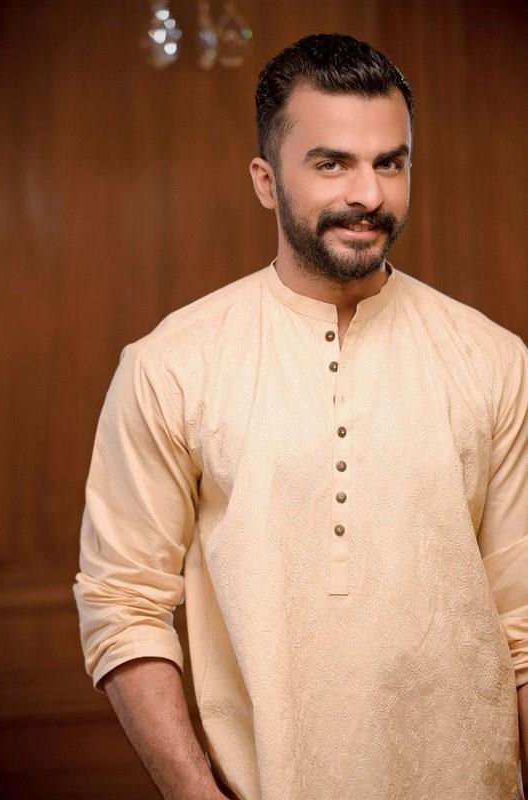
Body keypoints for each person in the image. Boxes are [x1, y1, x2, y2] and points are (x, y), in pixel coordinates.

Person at [74, 33, 528, 800]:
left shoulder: (494, 360)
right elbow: (123, 603)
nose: (369, 194)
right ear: (266, 180)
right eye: (332, 163)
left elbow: (524, 623)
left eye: (390, 162)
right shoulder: (171, 365)